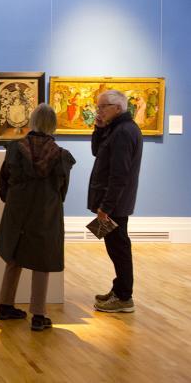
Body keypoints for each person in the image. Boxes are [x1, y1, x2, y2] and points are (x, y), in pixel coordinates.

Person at [0, 103, 75, 332]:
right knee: (42, 261)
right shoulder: (60, 155)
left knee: (14, 255)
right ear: (53, 125)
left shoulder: (15, 149)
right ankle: (39, 315)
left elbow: (3, 180)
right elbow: (62, 189)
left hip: (18, 208)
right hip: (46, 210)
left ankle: (4, 305)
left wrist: (11, 200)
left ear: (32, 121)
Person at [89, 90, 143, 313]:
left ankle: (124, 297)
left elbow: (119, 174)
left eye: (103, 107)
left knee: (119, 248)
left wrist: (106, 207)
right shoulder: (116, 128)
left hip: (115, 204)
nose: (98, 110)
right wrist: (99, 128)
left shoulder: (123, 131)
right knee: (116, 247)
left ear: (117, 108)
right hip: (114, 202)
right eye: (98, 106)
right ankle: (119, 289)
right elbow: (96, 152)